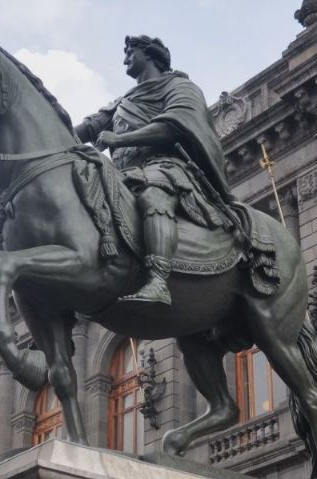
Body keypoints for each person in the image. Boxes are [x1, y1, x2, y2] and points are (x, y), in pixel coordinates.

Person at [75, 35, 234, 306]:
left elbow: (175, 126)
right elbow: (89, 127)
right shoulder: (122, 101)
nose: (125, 58)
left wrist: (120, 139)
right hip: (123, 174)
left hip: (167, 167)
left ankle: (159, 280)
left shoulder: (181, 87)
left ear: (149, 54)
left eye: (130, 52)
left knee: (153, 195)